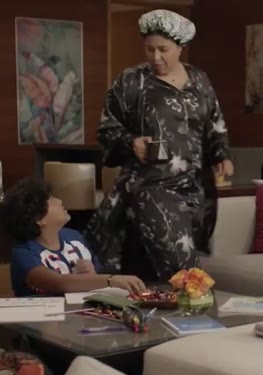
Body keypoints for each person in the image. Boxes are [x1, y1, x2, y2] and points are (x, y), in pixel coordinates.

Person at [83, 10, 233, 282]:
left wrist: (221, 153)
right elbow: (106, 129)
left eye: (163, 49)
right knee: (183, 267)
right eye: (149, 49)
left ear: (180, 47)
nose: (155, 57)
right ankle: (197, 303)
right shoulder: (131, 81)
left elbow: (215, 123)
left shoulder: (200, 79)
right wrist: (131, 143)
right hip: (153, 187)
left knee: (151, 265)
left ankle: (153, 304)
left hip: (197, 187)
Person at [1, 178, 147, 297]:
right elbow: (60, 283)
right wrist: (111, 280)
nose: (59, 201)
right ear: (39, 219)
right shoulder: (24, 254)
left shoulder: (73, 237)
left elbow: (95, 276)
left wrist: (91, 274)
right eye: (51, 201)